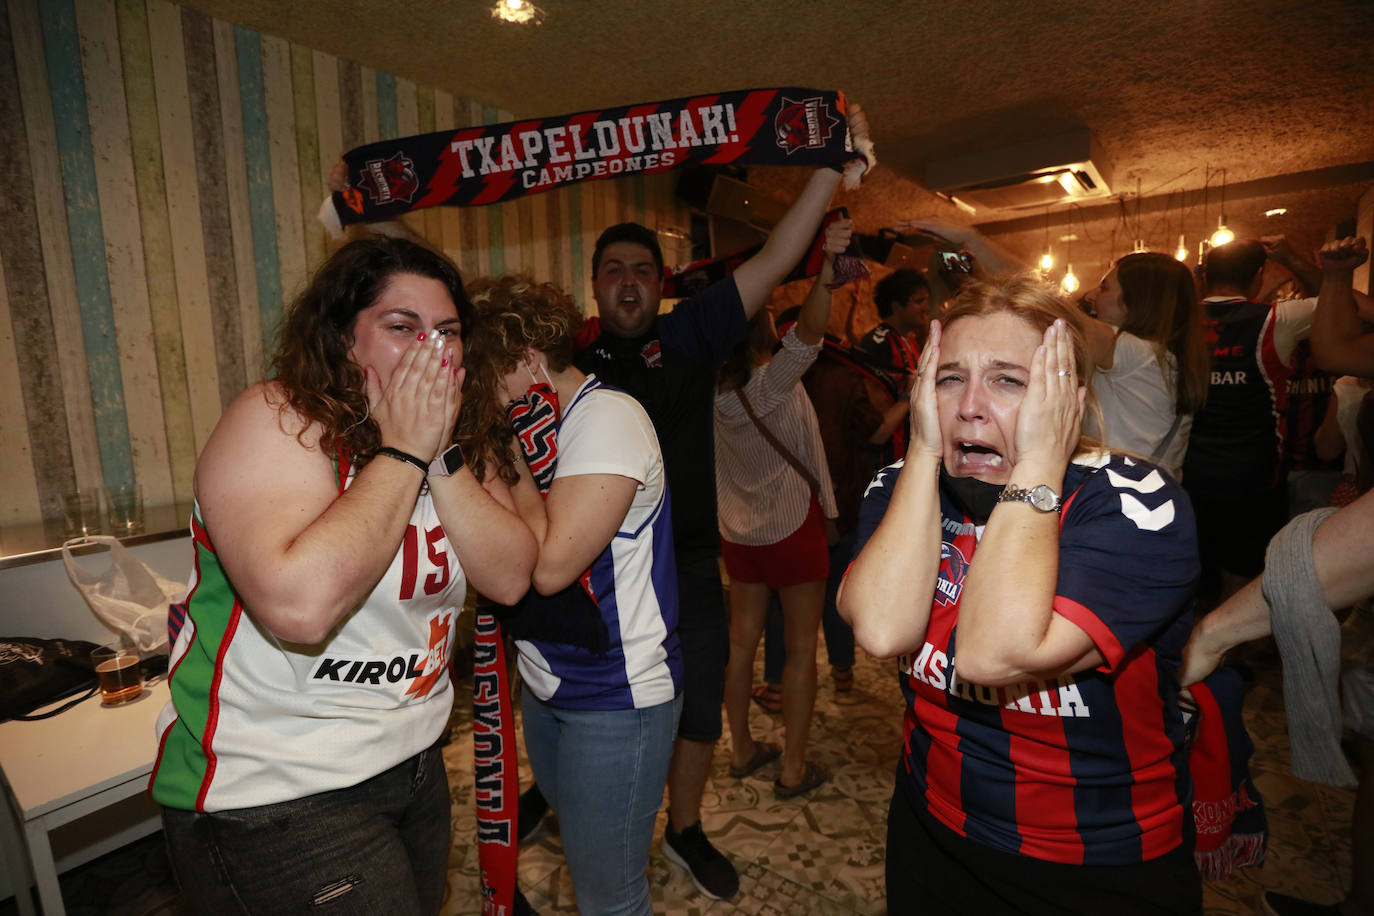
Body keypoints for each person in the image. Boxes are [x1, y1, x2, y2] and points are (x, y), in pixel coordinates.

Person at [151, 237, 538, 915]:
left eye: (447, 332)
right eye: (401, 328)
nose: (432, 352)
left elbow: (509, 576)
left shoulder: (447, 449)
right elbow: (299, 606)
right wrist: (404, 450)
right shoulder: (277, 420)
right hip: (278, 792)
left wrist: (437, 455)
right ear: (343, 340)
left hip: (413, 766)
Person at [569, 103, 870, 900]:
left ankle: (686, 829)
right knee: (608, 722)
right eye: (613, 271)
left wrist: (832, 165)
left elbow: (777, 256)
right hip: (594, 572)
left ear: (658, 283)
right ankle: (608, 838)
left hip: (694, 565)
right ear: (595, 286)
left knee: (699, 709)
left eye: (642, 270)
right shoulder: (570, 359)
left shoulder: (693, 336)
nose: (628, 282)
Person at [839, 274, 1202, 915]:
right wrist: (924, 448)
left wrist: (1037, 465)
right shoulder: (903, 486)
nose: (970, 405)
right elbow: (879, 629)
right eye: (949, 378)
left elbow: (993, 655)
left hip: (1095, 856)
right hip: (933, 823)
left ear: (1068, 398)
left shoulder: (1134, 502)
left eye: (1009, 380)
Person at [459, 275, 681, 916]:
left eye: (486, 372)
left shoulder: (606, 416)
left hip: (619, 694)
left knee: (610, 896)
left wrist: (507, 459)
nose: (479, 390)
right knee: (583, 857)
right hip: (549, 681)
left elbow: (550, 567)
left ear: (528, 359)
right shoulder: (539, 426)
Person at [1181, 236, 1374, 916]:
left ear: (1203, 273)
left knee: (1196, 582)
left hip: (1187, 479)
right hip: (1251, 477)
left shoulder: (1178, 321)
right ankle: (1232, 675)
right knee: (1242, 571)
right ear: (1259, 275)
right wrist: (1317, 271)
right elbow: (1349, 323)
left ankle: (1201, 682)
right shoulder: (1276, 317)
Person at [715, 219, 852, 800]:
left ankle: (742, 748)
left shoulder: (710, 394)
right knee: (800, 649)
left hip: (739, 532)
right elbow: (811, 337)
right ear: (758, 331)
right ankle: (793, 767)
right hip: (792, 527)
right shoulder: (770, 383)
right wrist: (826, 274)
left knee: (741, 644)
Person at [1080, 251, 1211, 478]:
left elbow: (1056, 316)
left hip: (1118, 500)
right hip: (1148, 500)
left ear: (1136, 301)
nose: (1091, 295)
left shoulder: (1139, 354)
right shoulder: (1163, 358)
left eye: (1104, 287)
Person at [857, 268, 930, 379]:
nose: (926, 308)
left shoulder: (910, 341)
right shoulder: (878, 342)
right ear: (896, 306)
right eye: (919, 301)